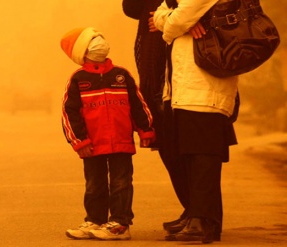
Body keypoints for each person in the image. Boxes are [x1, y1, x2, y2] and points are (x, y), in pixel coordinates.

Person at [152, 0, 240, 243]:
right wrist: (180, 21)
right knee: (194, 153)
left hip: (204, 84)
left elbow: (171, 25)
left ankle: (202, 221)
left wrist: (179, 22)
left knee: (204, 155)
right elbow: (159, 15)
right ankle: (201, 218)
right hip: (188, 85)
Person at [60, 27, 156, 240]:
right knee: (94, 184)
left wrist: (146, 129)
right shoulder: (78, 79)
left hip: (121, 143)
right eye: (93, 40)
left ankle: (120, 224)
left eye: (99, 38)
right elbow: (69, 113)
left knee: (121, 183)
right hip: (92, 145)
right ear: (83, 52)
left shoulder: (121, 75)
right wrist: (79, 141)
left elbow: (137, 104)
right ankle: (95, 220)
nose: (99, 42)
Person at [122, 0, 190, 234]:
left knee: (187, 150)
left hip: (181, 77)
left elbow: (192, 11)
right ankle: (192, 209)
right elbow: (130, 8)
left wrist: (169, 19)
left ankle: (200, 212)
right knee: (170, 150)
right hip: (155, 80)